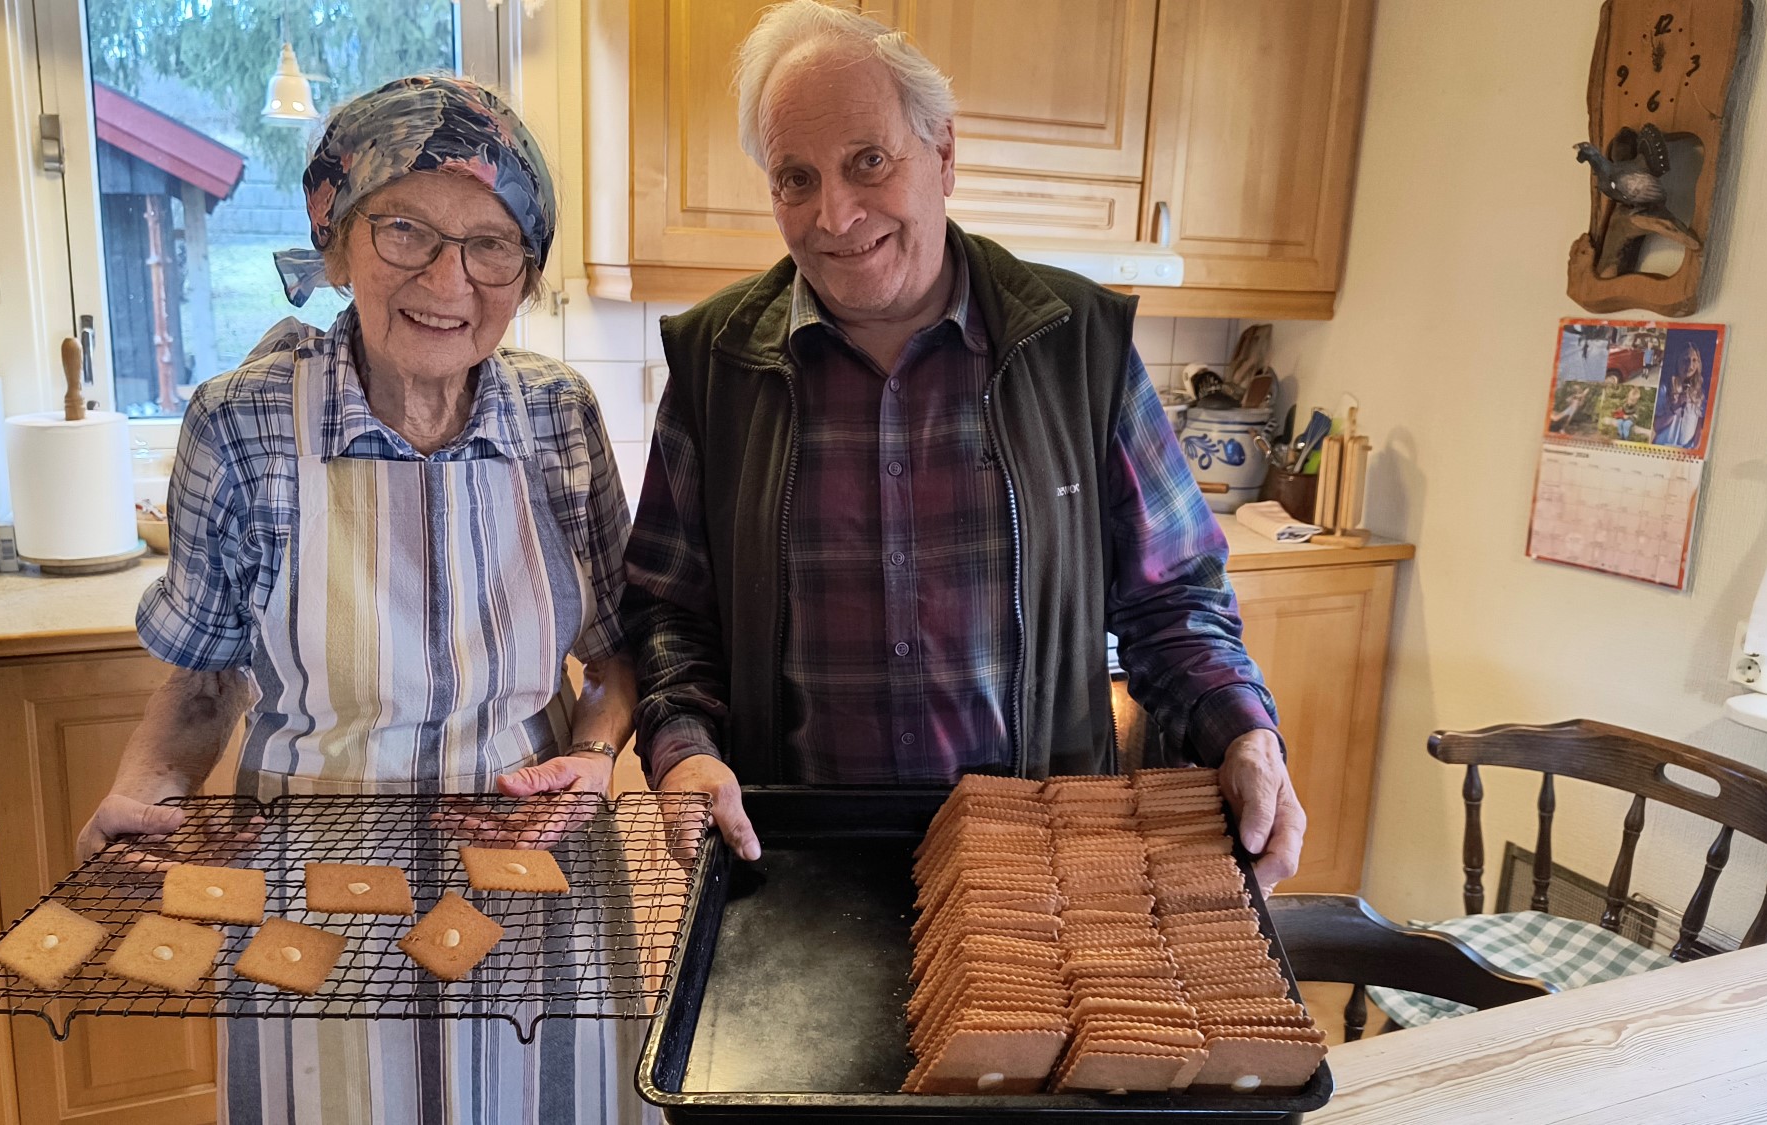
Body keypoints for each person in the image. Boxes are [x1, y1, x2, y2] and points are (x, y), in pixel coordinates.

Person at [623, 1, 1307, 888]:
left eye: (869, 162)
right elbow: (671, 614)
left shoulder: (1079, 348)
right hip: (794, 858)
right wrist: (683, 751)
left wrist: (1243, 730)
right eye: (797, 177)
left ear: (943, 155)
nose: (835, 215)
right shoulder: (717, 364)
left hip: (1042, 859)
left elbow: (1172, 599)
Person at [76, 76, 649, 1125]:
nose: (448, 279)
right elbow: (206, 678)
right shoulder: (243, 425)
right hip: (310, 878)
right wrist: (150, 798)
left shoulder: (558, 418)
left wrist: (597, 757)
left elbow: (617, 659)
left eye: (491, 244)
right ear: (336, 242)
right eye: (405, 231)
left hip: (530, 868)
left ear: (523, 272)